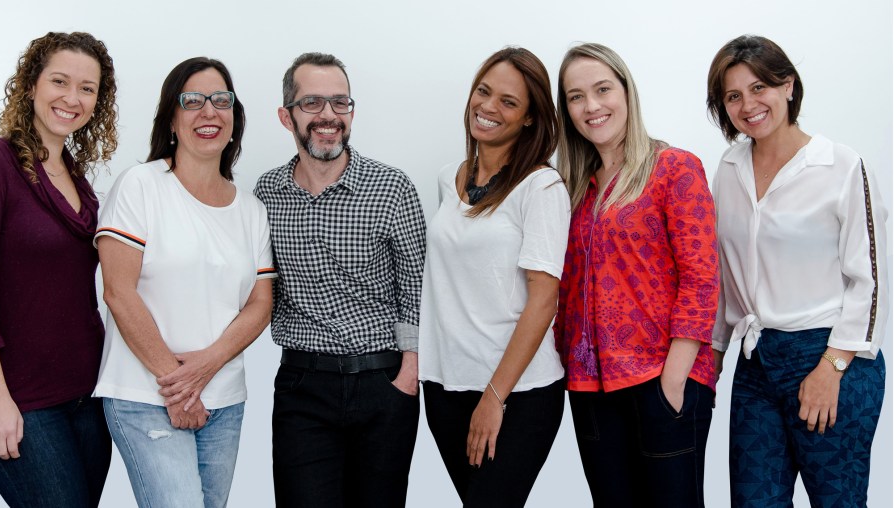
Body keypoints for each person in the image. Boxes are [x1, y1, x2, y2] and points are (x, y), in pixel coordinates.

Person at [706, 35, 889, 508]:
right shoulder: (728, 169)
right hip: (756, 364)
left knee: (838, 501)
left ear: (787, 86)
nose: (748, 105)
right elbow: (725, 275)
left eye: (760, 87)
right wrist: (713, 357)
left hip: (829, 355)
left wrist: (833, 367)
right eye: (733, 96)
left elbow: (872, 280)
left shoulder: (841, 166)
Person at [94, 57, 274, 508]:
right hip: (144, 395)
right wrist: (177, 384)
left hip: (225, 400)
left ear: (235, 118)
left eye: (221, 100)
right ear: (171, 118)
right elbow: (118, 290)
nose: (208, 111)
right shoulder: (140, 186)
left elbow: (260, 303)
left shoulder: (250, 209)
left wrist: (207, 366)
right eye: (192, 100)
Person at [0, 31, 117, 506]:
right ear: (30, 86)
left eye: (87, 88)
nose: (72, 98)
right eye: (59, 81)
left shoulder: (79, 179)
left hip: (87, 397)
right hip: (22, 401)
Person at [253, 52, 426, 508]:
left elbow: (416, 290)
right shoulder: (266, 194)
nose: (328, 116)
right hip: (302, 385)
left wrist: (408, 374)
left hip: (384, 383)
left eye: (340, 103)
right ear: (285, 115)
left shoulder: (392, 188)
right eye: (311, 103)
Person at [554, 43, 718, 508]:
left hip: (662, 377)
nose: (592, 106)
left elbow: (701, 277)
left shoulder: (674, 169)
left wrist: (673, 382)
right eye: (576, 96)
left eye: (603, 89)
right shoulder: (571, 189)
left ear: (627, 92)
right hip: (590, 386)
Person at [418, 47, 568, 508]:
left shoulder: (541, 187)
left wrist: (494, 397)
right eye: (483, 92)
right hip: (446, 385)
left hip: (517, 391)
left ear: (529, 118)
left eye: (508, 101)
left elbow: (544, 300)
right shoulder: (449, 178)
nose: (488, 107)